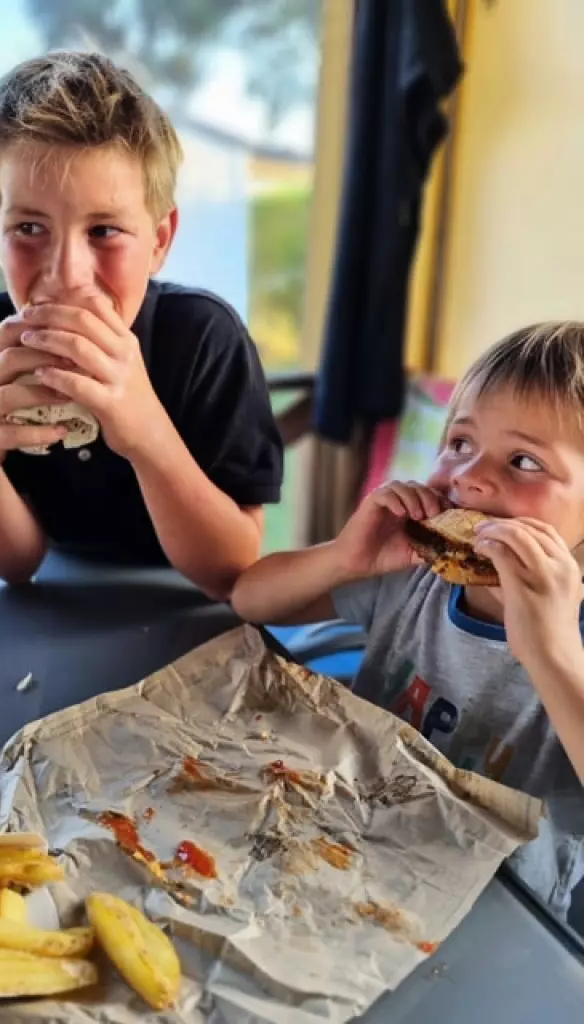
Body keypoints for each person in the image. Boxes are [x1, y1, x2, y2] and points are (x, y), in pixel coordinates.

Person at [232, 322, 584, 918]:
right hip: (351, 836)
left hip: (495, 904)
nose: (469, 476)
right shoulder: (416, 576)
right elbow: (251, 599)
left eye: (524, 461)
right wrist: (343, 558)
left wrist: (552, 652)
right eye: (461, 442)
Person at [0, 52, 283, 595]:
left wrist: (145, 431)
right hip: (54, 594)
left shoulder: (203, 339)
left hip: (182, 595)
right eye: (28, 227)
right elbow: (15, 564)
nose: (66, 275)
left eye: (103, 231)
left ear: (159, 240)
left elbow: (232, 567)